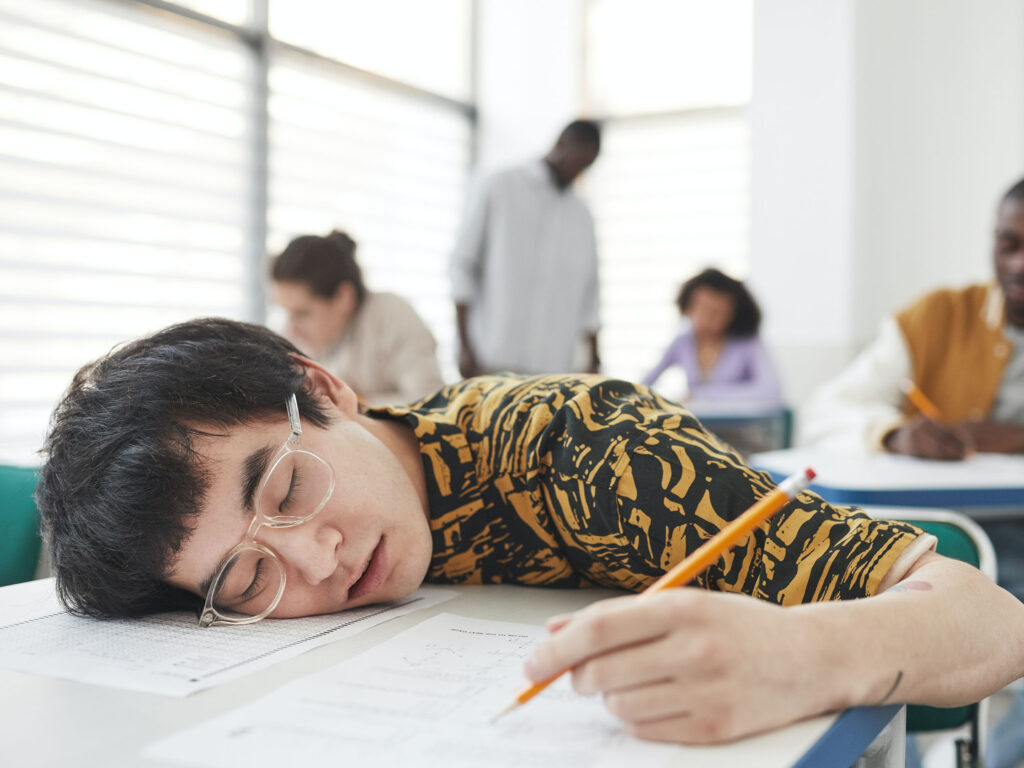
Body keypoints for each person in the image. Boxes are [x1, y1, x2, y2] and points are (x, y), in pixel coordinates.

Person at [36, 318, 1024, 747]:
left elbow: (993, 618)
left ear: (324, 387)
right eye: (246, 581)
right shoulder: (313, 566)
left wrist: (808, 655)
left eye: (290, 487)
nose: (317, 559)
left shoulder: (590, 455)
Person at [800, 177, 1024, 768]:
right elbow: (825, 411)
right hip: (935, 543)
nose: (1018, 264)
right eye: (1007, 243)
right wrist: (893, 432)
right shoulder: (935, 319)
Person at [450, 119, 601, 378]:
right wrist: (464, 345)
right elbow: (463, 265)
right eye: (578, 161)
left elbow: (591, 294)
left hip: (552, 369)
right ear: (561, 144)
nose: (578, 172)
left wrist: (594, 358)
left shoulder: (582, 214)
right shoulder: (499, 185)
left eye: (587, 166)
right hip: (491, 360)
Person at [271, 230, 444, 406]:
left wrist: (354, 404)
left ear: (343, 298)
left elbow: (430, 401)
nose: (290, 329)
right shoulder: (295, 336)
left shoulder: (391, 316)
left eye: (302, 314)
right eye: (287, 313)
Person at [642, 268, 783, 404]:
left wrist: (701, 396)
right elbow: (643, 386)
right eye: (704, 309)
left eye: (718, 312)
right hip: (696, 426)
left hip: (739, 426)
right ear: (688, 308)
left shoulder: (747, 342)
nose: (709, 319)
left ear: (732, 314)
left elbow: (771, 391)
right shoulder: (681, 343)